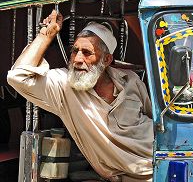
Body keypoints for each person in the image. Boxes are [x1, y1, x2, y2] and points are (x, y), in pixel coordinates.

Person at [7, 10, 153, 182]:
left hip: (166, 158)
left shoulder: (131, 80)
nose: (77, 59)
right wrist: (46, 34)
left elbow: (153, 118)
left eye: (86, 52)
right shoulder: (64, 86)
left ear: (106, 60)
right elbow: (17, 77)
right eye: (74, 51)